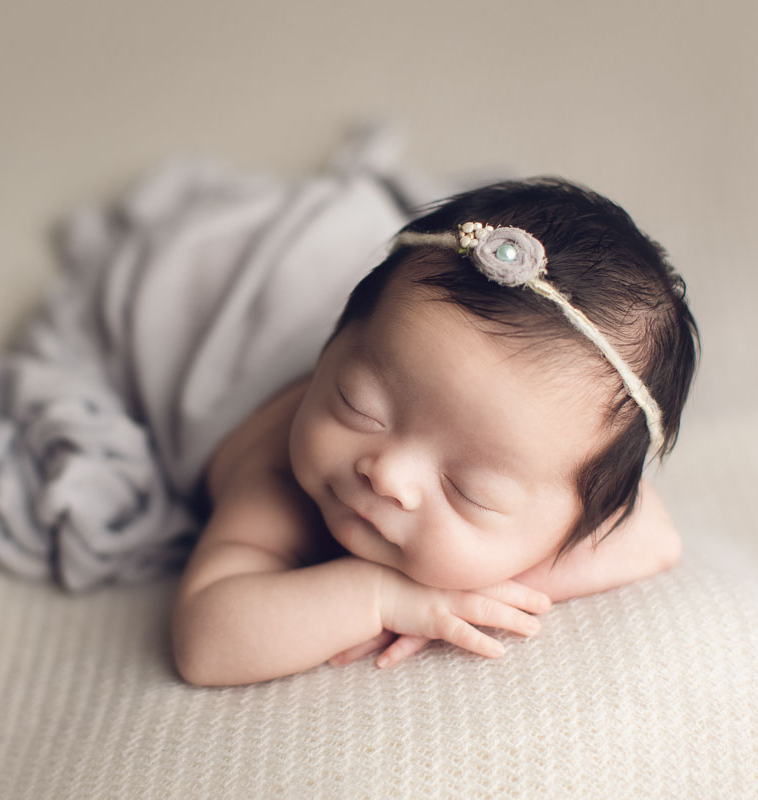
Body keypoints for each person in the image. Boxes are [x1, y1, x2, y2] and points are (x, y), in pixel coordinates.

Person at [172, 178, 699, 687]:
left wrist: (492, 587)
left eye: (470, 491)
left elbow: (655, 537)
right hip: (205, 300)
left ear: (572, 530)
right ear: (327, 353)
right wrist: (384, 597)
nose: (387, 475)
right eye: (359, 408)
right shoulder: (278, 481)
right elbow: (206, 641)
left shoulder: (566, 483)